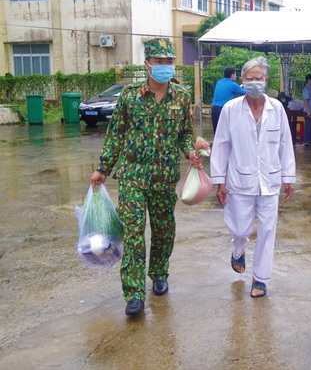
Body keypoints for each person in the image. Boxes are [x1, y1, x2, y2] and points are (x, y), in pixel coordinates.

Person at [89, 38, 202, 316]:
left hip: (164, 177)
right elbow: (115, 134)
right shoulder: (129, 96)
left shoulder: (182, 97)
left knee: (164, 230)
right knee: (134, 232)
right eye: (159, 61)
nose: (165, 66)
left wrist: (190, 151)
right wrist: (103, 168)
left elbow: (185, 133)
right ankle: (134, 294)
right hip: (132, 177)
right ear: (147, 64)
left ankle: (160, 272)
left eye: (169, 61)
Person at [210, 57, 296, 298]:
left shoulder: (276, 108)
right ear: (242, 80)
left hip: (270, 180)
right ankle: (238, 249)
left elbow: (285, 144)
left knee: (268, 230)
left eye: (259, 78)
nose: (254, 83)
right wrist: (220, 181)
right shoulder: (231, 109)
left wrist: (288, 177)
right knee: (240, 228)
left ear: (266, 81)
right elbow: (222, 145)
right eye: (249, 79)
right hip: (240, 179)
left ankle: (260, 278)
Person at [212, 66, 245, 135]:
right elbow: (245, 93)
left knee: (217, 133)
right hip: (224, 110)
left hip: (214, 109)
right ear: (232, 75)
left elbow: (228, 89)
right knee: (226, 133)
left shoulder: (219, 82)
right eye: (235, 74)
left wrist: (239, 86)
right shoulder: (233, 85)